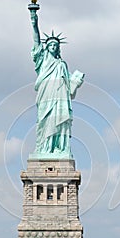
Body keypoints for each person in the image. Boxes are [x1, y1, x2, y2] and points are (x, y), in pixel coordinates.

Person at [30, 9, 84, 158]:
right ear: (46, 48)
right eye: (51, 45)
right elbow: (36, 39)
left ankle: (60, 149)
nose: (53, 47)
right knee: (44, 121)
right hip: (46, 95)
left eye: (55, 45)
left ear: (58, 48)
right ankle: (44, 149)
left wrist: (76, 81)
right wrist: (33, 19)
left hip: (60, 97)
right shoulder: (42, 60)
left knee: (60, 122)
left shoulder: (62, 64)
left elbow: (69, 87)